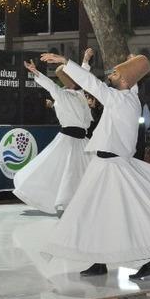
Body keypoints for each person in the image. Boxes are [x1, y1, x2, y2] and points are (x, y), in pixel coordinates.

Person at [39, 52, 150, 280]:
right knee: (99, 213)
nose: (111, 75)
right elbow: (125, 84)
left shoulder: (119, 99)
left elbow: (92, 84)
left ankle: (144, 261)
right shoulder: (130, 97)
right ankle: (100, 260)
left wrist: (67, 62)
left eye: (116, 73)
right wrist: (133, 63)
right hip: (106, 164)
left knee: (123, 214)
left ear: (124, 82)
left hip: (112, 167)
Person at [12, 59, 92, 215]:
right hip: (68, 139)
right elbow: (50, 85)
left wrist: (86, 61)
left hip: (83, 140)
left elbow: (84, 75)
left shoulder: (80, 93)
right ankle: (63, 204)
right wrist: (36, 72)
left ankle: (83, 201)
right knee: (67, 172)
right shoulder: (63, 95)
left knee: (87, 170)